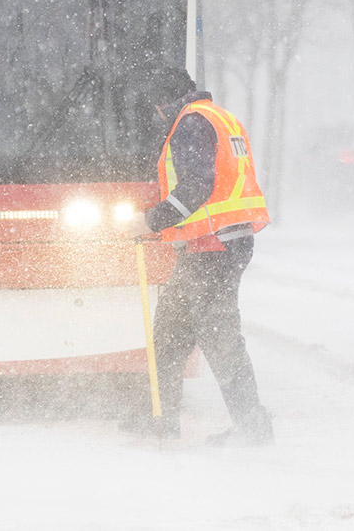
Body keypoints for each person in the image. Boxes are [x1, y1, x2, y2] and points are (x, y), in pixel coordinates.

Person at [120, 66, 274, 445]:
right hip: (216, 243)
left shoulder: (190, 124)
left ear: (163, 104)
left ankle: (252, 427)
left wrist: (151, 222)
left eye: (157, 109)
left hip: (214, 245)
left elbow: (197, 186)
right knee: (170, 334)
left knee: (220, 337)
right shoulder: (220, 116)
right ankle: (161, 416)